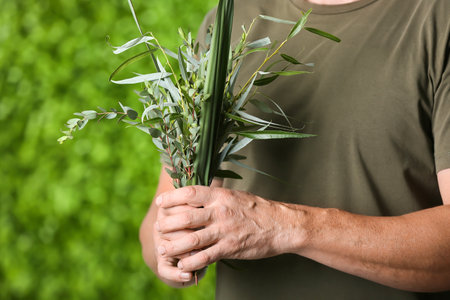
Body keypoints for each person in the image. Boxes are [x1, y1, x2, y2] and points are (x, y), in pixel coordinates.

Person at [139, 0, 450, 298]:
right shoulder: (231, 19)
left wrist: (286, 227)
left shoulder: (438, 19)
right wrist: (170, 246)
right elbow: (162, 213)